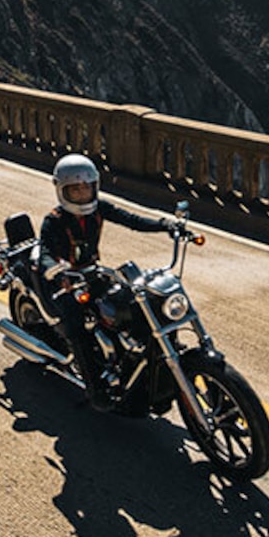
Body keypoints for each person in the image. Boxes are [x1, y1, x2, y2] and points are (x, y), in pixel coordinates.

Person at [36, 154, 179, 411]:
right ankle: (95, 388)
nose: (82, 193)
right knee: (77, 328)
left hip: (92, 274)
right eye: (75, 189)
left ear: (95, 186)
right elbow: (44, 251)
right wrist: (57, 273)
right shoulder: (54, 220)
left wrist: (166, 225)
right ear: (62, 190)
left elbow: (132, 220)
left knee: (131, 305)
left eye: (86, 187)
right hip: (64, 281)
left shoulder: (100, 208)